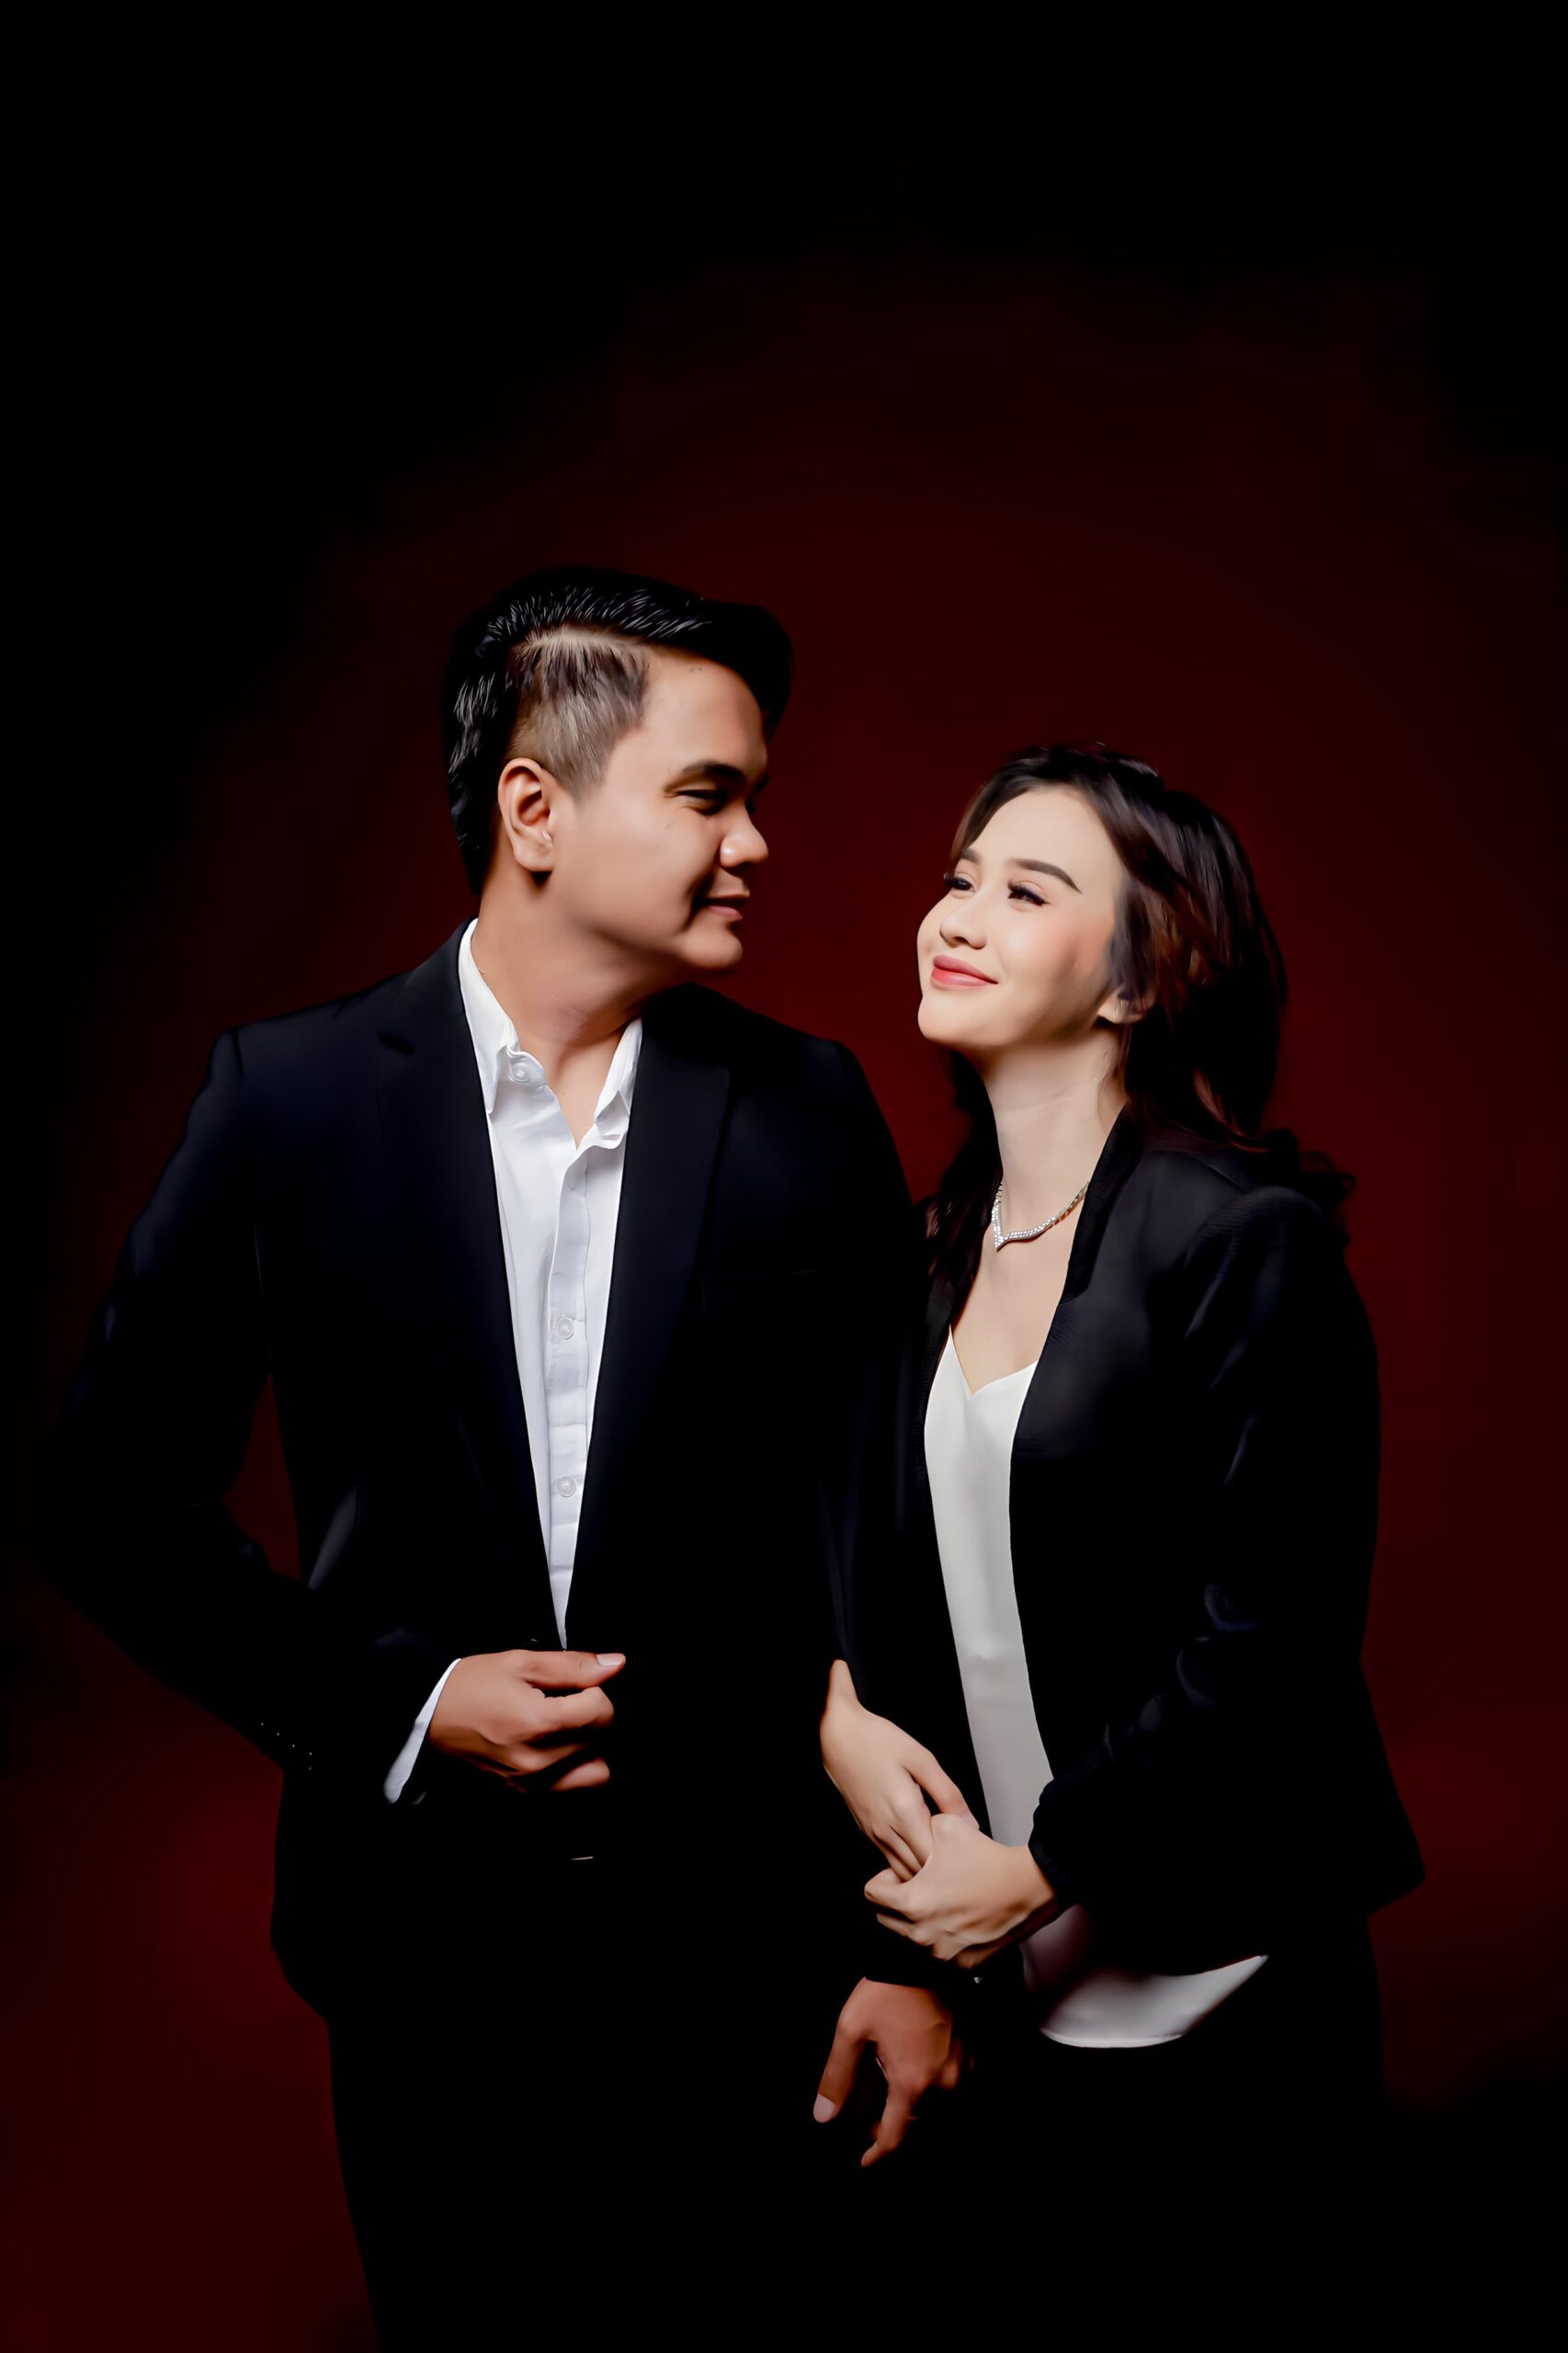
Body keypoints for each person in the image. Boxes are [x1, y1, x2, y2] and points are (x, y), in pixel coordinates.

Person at [29, 564, 919, 2339]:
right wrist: (405, 1702)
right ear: (534, 810)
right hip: (420, 1954)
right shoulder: (286, 1100)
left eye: (754, 796)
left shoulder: (808, 1106)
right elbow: (106, 1503)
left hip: (755, 1963)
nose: (755, 844)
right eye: (709, 794)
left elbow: (894, 1545)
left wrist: (907, 1953)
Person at [812, 742, 1425, 2276]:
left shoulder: (1242, 1238)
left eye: (1027, 891)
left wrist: (1038, 1870)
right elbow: (865, 1604)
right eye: (959, 879)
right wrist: (893, 1904)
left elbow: (1269, 1641)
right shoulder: (917, 1260)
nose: (958, 915)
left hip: (1226, 1986)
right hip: (997, 2001)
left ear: (1140, 980)